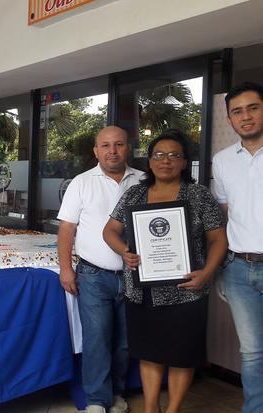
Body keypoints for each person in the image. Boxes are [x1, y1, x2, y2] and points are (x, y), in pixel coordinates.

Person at [103, 130, 227, 413]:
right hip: (143, 291)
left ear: (185, 162)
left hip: (187, 290)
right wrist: (124, 251)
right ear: (149, 161)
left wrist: (207, 272)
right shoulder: (134, 194)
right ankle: (150, 408)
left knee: (181, 356)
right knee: (149, 354)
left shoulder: (198, 195)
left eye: (174, 155)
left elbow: (218, 239)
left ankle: (172, 410)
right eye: (159, 155)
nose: (166, 161)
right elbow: (110, 230)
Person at [57, 126, 144, 413]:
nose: (112, 151)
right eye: (105, 145)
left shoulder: (143, 181)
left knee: (123, 342)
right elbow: (67, 229)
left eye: (118, 144)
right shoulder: (81, 183)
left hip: (134, 277)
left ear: (127, 147)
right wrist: (65, 269)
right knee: (97, 340)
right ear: (96, 151)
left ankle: (116, 394)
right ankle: (96, 400)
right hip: (93, 275)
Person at [212, 81, 263, 413]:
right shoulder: (222, 160)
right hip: (240, 269)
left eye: (253, 108)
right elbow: (226, 212)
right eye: (237, 111)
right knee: (253, 352)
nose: (245, 117)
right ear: (230, 119)